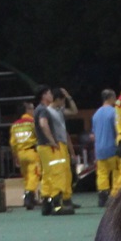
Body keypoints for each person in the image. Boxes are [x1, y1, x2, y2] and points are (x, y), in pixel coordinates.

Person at [34, 86, 77, 216]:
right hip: (49, 146)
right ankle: (57, 205)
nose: (50, 95)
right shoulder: (44, 110)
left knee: (47, 175)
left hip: (42, 146)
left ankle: (46, 203)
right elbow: (43, 124)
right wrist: (52, 141)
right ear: (43, 96)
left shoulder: (39, 109)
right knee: (57, 173)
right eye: (48, 93)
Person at [9, 102, 41, 210]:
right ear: (27, 110)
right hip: (32, 152)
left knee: (26, 176)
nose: (33, 111)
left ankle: (30, 197)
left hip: (20, 153)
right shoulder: (32, 122)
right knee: (34, 174)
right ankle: (29, 196)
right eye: (32, 109)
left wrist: (15, 156)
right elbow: (39, 135)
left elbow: (13, 143)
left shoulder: (15, 125)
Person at [92, 88, 119, 206]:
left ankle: (102, 195)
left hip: (99, 149)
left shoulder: (96, 114)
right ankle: (115, 196)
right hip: (112, 147)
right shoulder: (114, 112)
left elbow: (93, 134)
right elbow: (117, 130)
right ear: (111, 98)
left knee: (102, 173)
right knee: (116, 172)